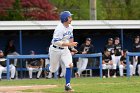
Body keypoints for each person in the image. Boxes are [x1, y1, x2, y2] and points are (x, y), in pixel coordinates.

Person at [49, 11, 78, 92]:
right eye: (69, 17)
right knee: (53, 70)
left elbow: (71, 37)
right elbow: (56, 42)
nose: (71, 18)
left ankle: (67, 85)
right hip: (55, 49)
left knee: (70, 65)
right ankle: (48, 68)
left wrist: (71, 47)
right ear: (65, 18)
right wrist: (69, 44)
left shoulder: (70, 27)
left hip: (65, 49)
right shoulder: (59, 28)